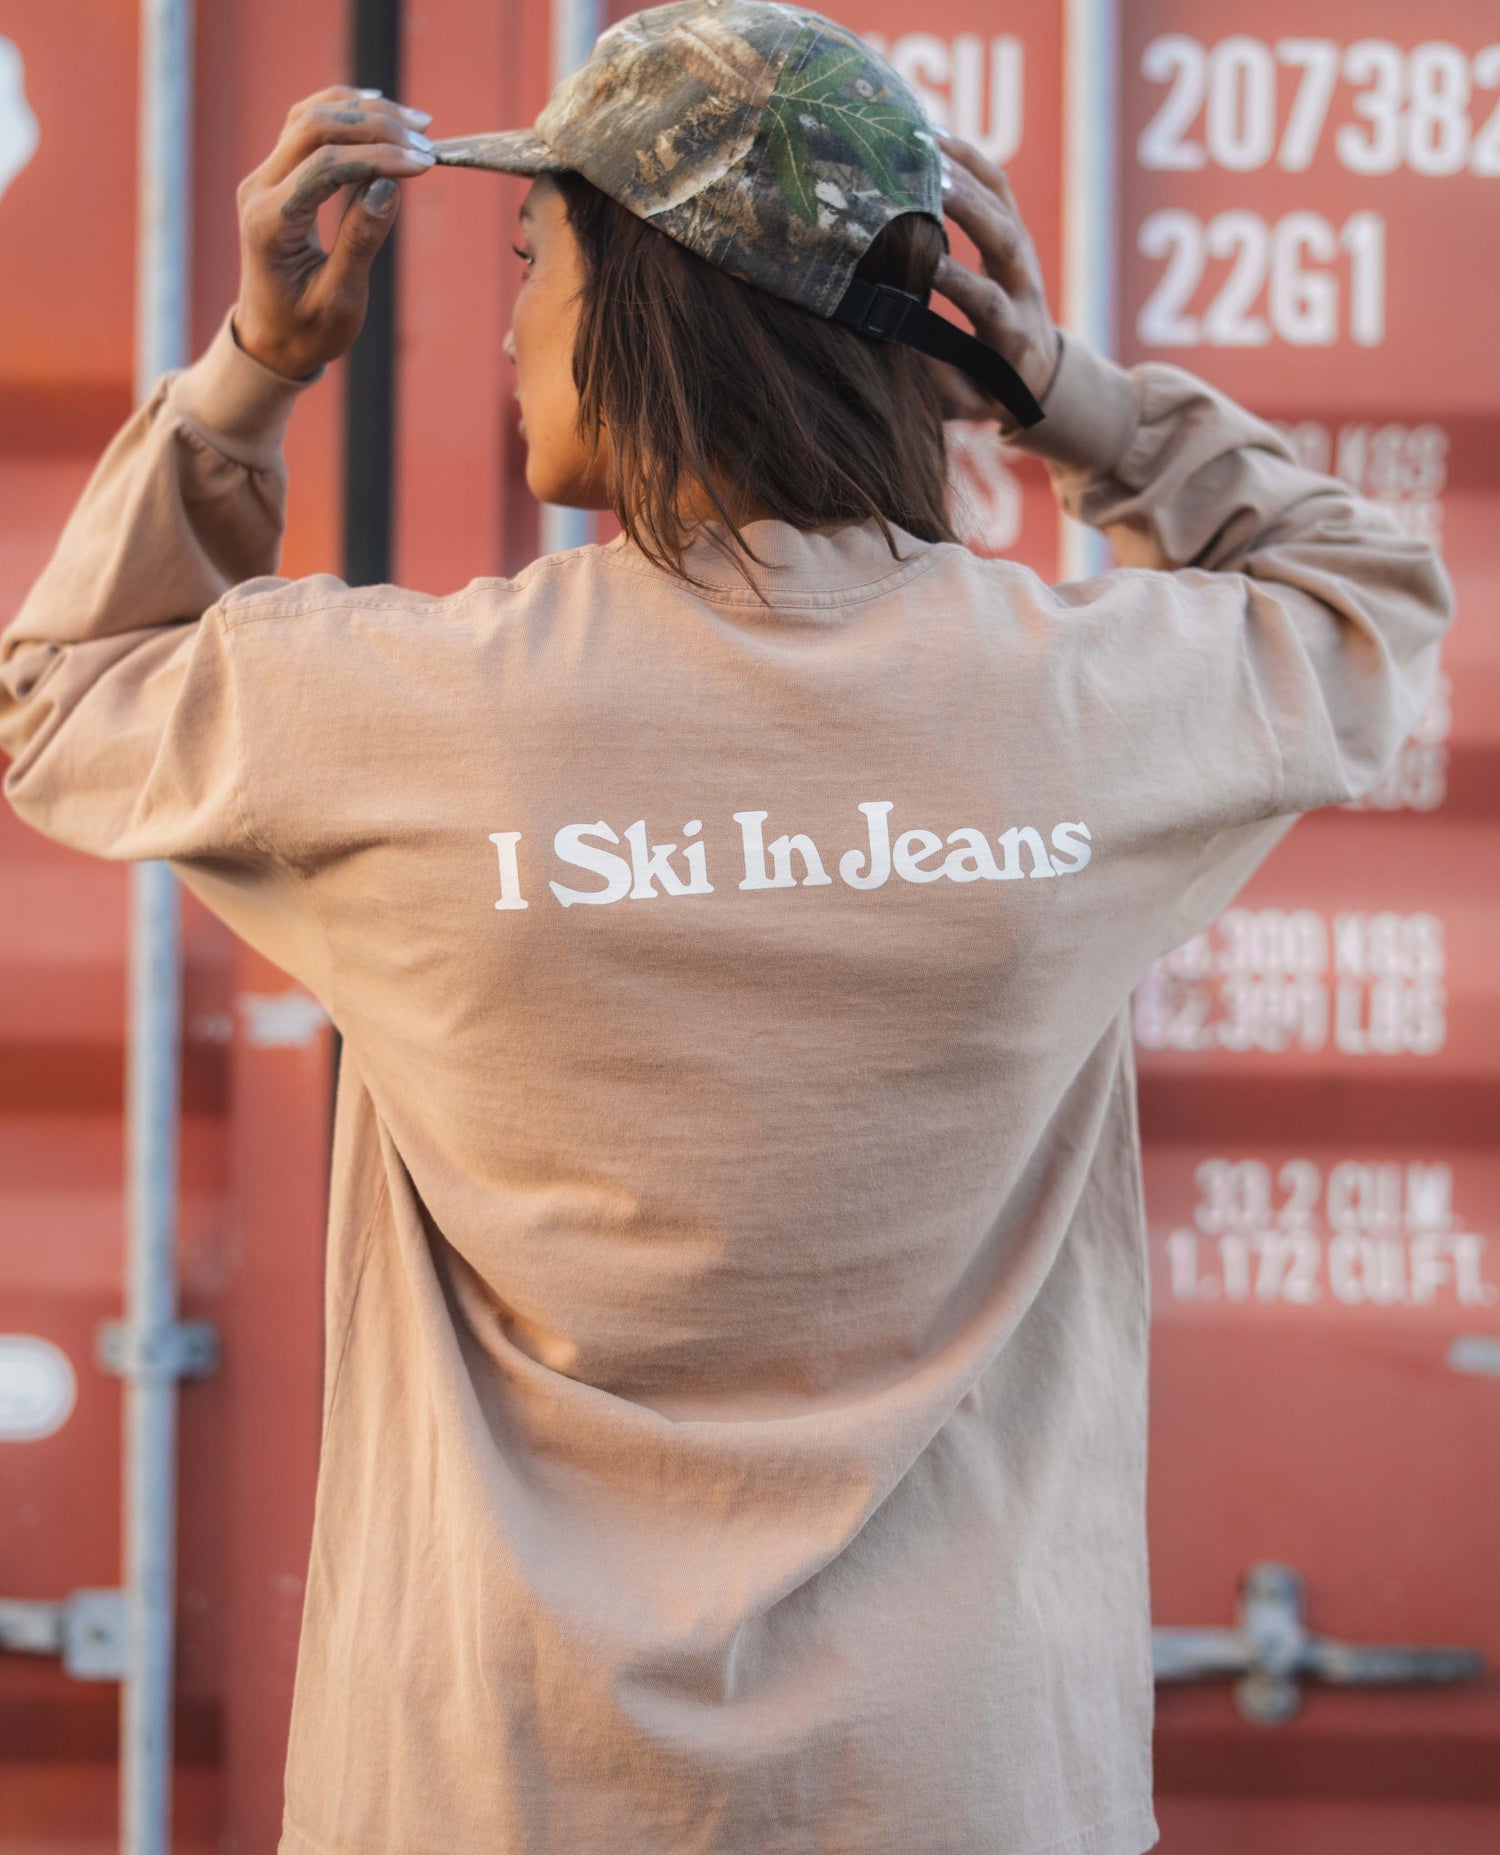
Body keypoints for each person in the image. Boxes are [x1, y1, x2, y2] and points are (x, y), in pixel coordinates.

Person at [0, 4, 1452, 1852]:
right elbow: (1374, 606)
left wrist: (251, 371)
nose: (514, 321)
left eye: (537, 261)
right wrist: (1057, 384)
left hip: (492, 1790)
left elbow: (55, 698)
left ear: (643, 310)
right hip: (961, 1789)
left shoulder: (409, 722)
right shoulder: (1072, 707)